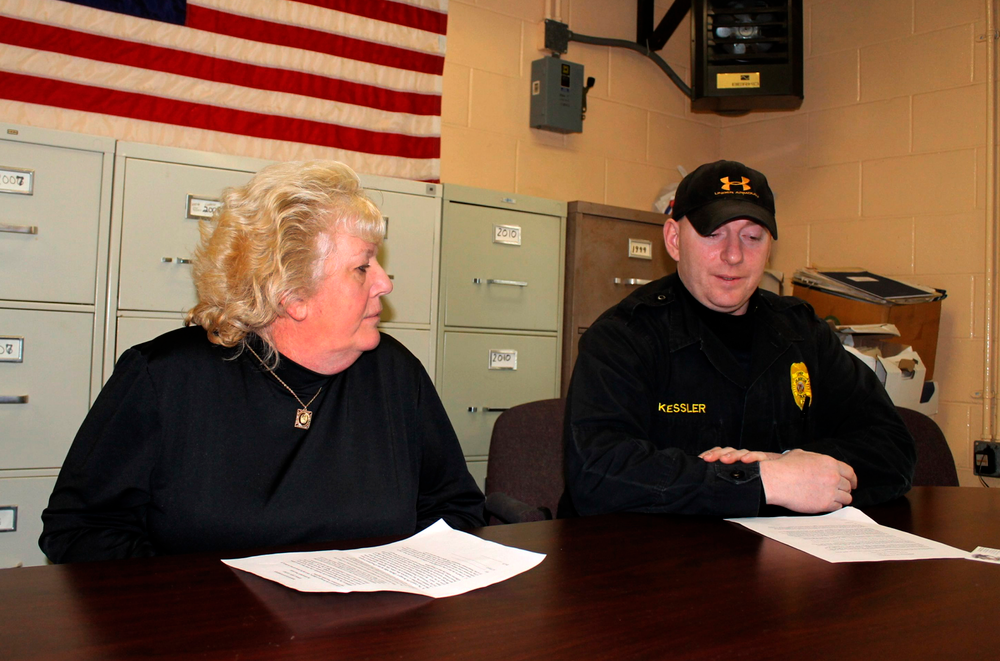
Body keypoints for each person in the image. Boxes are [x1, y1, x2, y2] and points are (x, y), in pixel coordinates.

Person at [40, 160, 484, 563]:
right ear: (292, 296)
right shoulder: (165, 377)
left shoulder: (396, 374)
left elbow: (455, 508)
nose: (385, 284)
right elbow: (79, 530)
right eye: (363, 267)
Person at [560, 159, 916, 518]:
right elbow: (597, 473)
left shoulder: (803, 334)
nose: (733, 255)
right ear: (674, 239)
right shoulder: (624, 336)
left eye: (752, 236)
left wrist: (792, 465)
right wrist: (761, 481)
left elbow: (893, 448)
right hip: (655, 561)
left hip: (780, 559)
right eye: (713, 234)